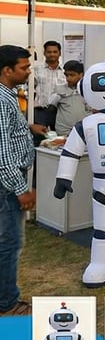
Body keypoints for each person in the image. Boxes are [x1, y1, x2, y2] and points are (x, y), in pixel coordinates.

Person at [0, 45, 37, 316]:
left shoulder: (8, 95)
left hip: (9, 183)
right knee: (10, 242)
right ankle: (8, 303)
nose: (28, 72)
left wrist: (27, 128)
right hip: (8, 186)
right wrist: (21, 189)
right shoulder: (2, 101)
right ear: (7, 70)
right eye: (24, 67)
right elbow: (2, 154)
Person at [47, 60, 90, 138]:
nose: (68, 78)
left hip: (83, 131)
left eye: (72, 75)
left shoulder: (87, 91)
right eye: (66, 75)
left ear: (81, 75)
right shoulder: (59, 90)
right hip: (64, 132)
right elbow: (50, 109)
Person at [32, 40, 66, 133]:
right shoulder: (36, 69)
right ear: (44, 53)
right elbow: (29, 87)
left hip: (60, 111)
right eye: (49, 52)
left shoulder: (65, 71)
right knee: (40, 137)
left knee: (59, 137)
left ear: (59, 53)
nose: (52, 54)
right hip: (40, 111)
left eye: (55, 52)